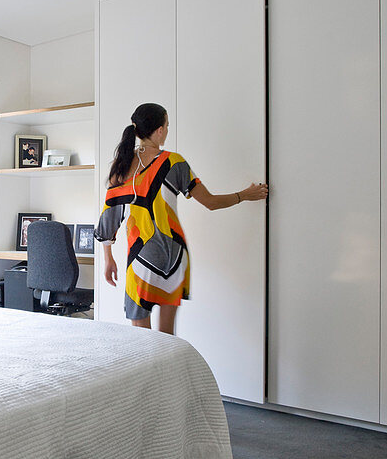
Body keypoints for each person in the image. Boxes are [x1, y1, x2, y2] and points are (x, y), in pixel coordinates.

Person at [94, 102, 268, 333]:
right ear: (159, 130)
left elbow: (109, 218)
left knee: (140, 339)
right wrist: (244, 195)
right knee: (167, 338)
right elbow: (211, 202)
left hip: (140, 257)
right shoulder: (174, 162)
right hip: (174, 255)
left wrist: (108, 259)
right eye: (167, 125)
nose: (167, 130)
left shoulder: (123, 165)